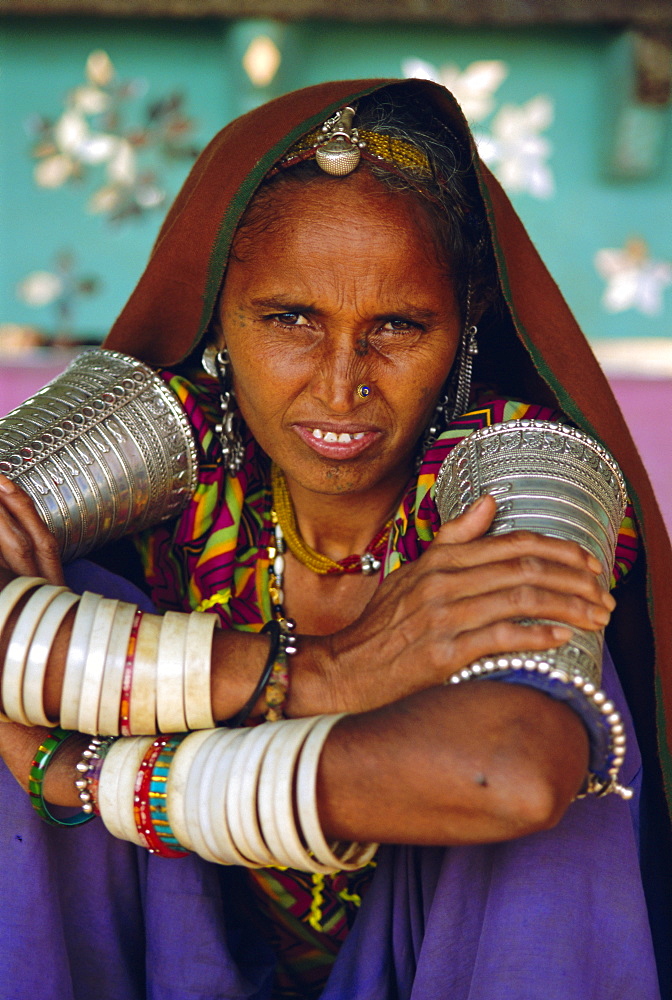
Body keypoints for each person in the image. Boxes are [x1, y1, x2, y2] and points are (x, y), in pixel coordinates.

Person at [0, 78, 670, 1000]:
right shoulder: (178, 436)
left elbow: (507, 776)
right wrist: (322, 674)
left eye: (398, 325)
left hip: (440, 957)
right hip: (181, 944)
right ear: (219, 312)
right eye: (289, 320)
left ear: (466, 319)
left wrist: (89, 776)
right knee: (72, 587)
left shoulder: (514, 468)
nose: (342, 387)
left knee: (572, 722)